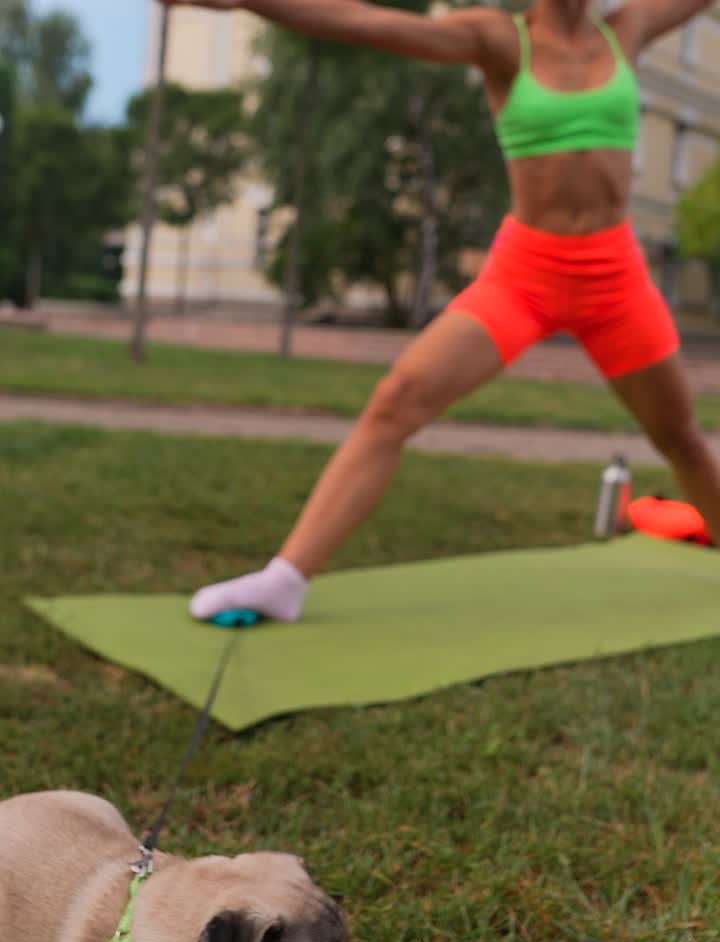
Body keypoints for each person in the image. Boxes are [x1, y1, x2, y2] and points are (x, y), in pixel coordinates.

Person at [161, 0, 720, 623]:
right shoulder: (500, 41)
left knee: (680, 437)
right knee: (396, 401)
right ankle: (284, 580)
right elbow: (367, 23)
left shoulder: (628, 29)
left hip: (614, 276)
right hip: (527, 274)